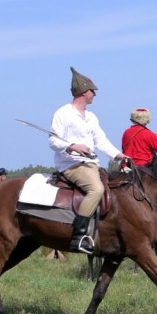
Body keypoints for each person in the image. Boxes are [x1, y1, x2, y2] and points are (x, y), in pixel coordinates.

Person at [49, 67, 127, 254]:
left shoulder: (91, 117)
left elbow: (101, 141)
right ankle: (78, 236)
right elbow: (53, 140)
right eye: (93, 91)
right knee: (96, 189)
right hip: (71, 164)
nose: (95, 94)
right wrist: (73, 146)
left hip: (92, 164)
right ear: (84, 92)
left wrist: (118, 155)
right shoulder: (63, 113)